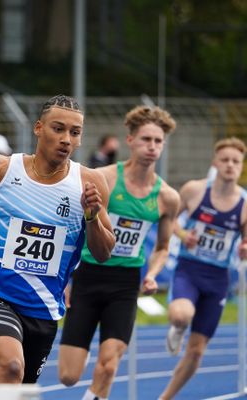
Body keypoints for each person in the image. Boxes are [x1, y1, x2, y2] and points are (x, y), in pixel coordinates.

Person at [0, 94, 116, 384]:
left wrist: (91, 216)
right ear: (39, 128)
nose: (66, 139)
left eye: (75, 133)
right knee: (11, 367)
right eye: (58, 129)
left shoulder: (90, 183)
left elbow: (103, 252)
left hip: (43, 306)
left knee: (20, 387)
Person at [58, 105, 180, 400]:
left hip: (125, 283)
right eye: (146, 139)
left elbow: (163, 248)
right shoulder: (104, 178)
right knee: (68, 376)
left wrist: (151, 275)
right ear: (130, 140)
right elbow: (73, 229)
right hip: (88, 276)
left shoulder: (167, 198)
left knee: (109, 365)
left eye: (158, 141)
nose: (152, 147)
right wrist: (65, 280)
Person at [159, 137, 247, 400]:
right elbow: (170, 220)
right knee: (180, 315)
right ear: (215, 163)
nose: (230, 165)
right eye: (225, 160)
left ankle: (165, 397)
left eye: (236, 161)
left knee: (197, 351)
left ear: (241, 167)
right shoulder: (194, 190)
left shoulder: (244, 204)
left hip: (218, 279)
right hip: (189, 270)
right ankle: (177, 328)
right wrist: (184, 234)